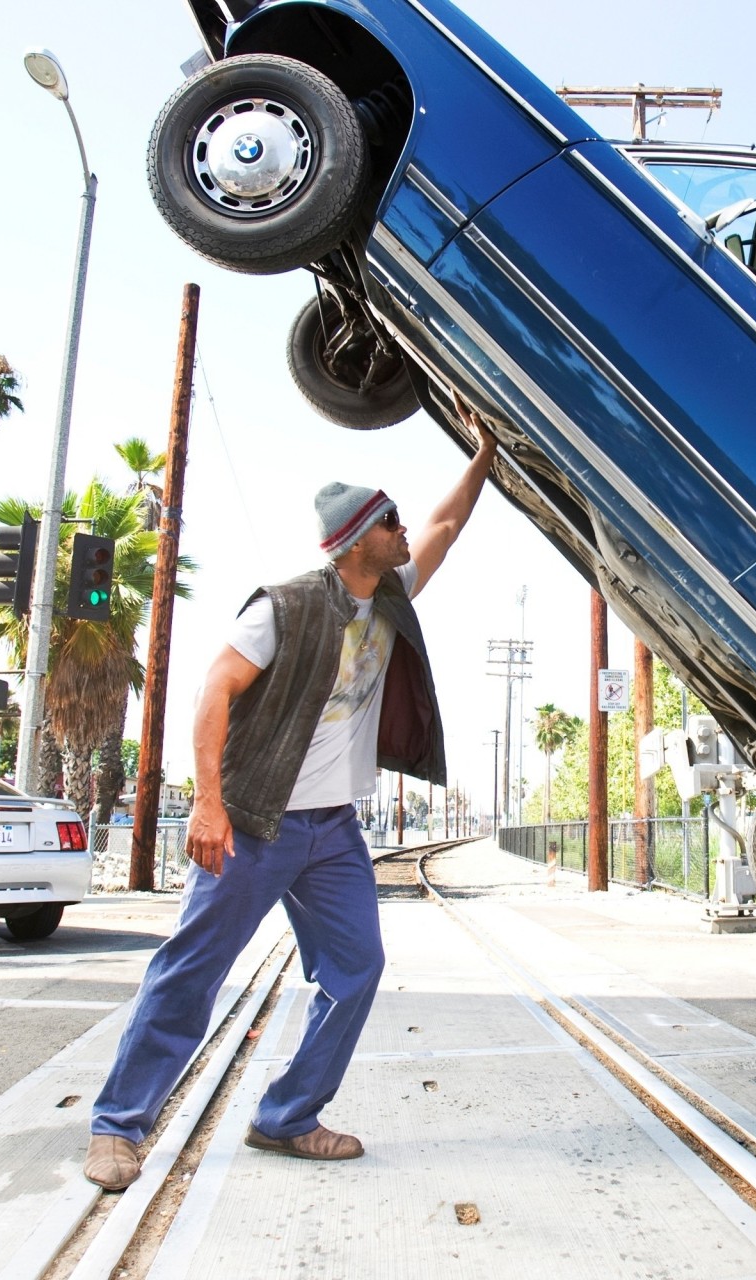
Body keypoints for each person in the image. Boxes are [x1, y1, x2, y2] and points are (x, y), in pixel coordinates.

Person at [83, 405, 499, 1191]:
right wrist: (207, 804)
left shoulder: (391, 597)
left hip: (333, 831)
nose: (406, 531)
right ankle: (116, 1126)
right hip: (253, 822)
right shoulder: (283, 606)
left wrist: (481, 455)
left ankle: (287, 1116)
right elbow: (214, 690)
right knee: (191, 972)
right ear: (356, 539)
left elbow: (446, 527)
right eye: (392, 523)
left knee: (358, 967)